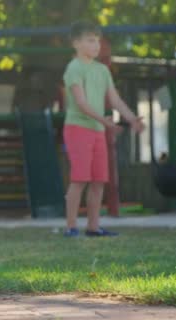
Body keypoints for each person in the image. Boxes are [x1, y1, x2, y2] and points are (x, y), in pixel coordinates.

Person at [63, 21, 145, 237]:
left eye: (97, 40)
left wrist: (132, 118)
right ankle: (71, 227)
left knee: (99, 180)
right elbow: (81, 103)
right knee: (79, 179)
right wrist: (106, 121)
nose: (96, 45)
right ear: (76, 43)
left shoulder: (102, 70)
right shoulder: (74, 68)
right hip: (78, 129)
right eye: (91, 40)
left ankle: (93, 226)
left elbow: (115, 99)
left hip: (98, 130)